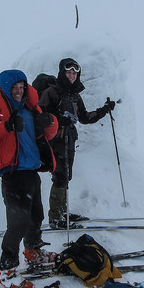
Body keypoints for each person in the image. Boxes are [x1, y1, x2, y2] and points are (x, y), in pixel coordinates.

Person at [0, 69, 59, 288]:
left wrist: (49, 122)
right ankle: (7, 272)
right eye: (15, 88)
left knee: (36, 216)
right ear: (5, 89)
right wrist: (6, 126)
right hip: (12, 174)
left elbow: (49, 134)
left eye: (22, 87)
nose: (19, 91)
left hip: (31, 171)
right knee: (18, 222)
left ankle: (33, 252)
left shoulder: (31, 109)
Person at [38, 58, 115, 229]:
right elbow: (40, 117)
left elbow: (85, 118)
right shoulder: (51, 92)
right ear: (62, 73)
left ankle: (63, 212)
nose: (72, 75)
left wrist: (104, 110)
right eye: (68, 72)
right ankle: (55, 218)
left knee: (66, 176)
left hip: (69, 138)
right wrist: (59, 120)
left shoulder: (75, 95)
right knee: (59, 176)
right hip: (55, 139)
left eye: (75, 73)